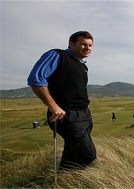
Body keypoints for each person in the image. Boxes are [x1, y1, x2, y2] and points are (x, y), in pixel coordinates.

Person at [27, 31, 96, 170]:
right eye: (83, 44)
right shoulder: (58, 55)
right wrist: (53, 106)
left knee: (72, 153)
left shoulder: (83, 66)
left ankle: (65, 179)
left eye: (90, 45)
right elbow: (36, 79)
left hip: (83, 115)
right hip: (66, 115)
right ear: (71, 44)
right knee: (88, 155)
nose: (87, 48)